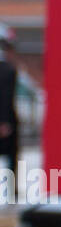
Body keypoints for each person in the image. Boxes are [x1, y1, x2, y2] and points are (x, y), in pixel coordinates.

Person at [0, 24, 19, 175]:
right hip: (5, 122)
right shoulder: (7, 70)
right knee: (10, 156)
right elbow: (6, 96)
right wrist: (5, 121)